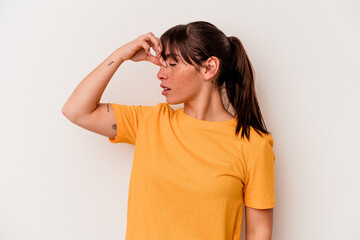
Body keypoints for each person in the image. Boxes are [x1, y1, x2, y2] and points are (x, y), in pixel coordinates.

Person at [62, 21, 276, 240]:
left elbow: (258, 233)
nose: (160, 74)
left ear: (209, 68)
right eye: (162, 64)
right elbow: (76, 110)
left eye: (172, 64)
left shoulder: (253, 145)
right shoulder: (149, 122)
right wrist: (121, 55)